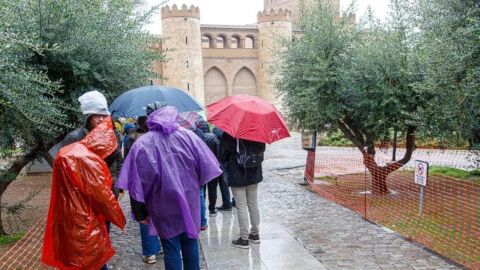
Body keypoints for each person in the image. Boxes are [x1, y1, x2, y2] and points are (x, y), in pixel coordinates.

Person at [118, 105, 222, 270]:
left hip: (161, 202)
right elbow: (205, 168)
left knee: (170, 245)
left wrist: (140, 212)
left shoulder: (142, 144)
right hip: (189, 199)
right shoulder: (189, 137)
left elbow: (136, 183)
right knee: (190, 242)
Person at [42, 116, 126, 269]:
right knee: (93, 255)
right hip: (86, 213)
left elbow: (118, 163)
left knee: (75, 255)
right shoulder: (87, 159)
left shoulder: (70, 151)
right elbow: (101, 197)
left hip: (69, 210)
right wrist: (119, 218)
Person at [60, 90, 124, 199]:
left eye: (103, 115)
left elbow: (119, 162)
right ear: (88, 117)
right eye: (97, 115)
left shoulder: (113, 136)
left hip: (109, 191)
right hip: (84, 196)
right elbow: (65, 170)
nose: (101, 119)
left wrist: (117, 184)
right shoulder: (74, 138)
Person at [123, 115, 162, 264]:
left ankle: (150, 252)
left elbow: (127, 160)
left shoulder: (132, 138)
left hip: (140, 180)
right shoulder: (158, 136)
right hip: (157, 181)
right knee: (155, 214)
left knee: (144, 217)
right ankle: (155, 248)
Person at [219, 132, 266, 249]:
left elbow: (222, 155)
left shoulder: (230, 133)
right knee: (253, 203)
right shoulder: (257, 131)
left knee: (241, 205)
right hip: (254, 172)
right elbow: (262, 149)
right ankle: (255, 234)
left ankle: (244, 239)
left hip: (237, 173)